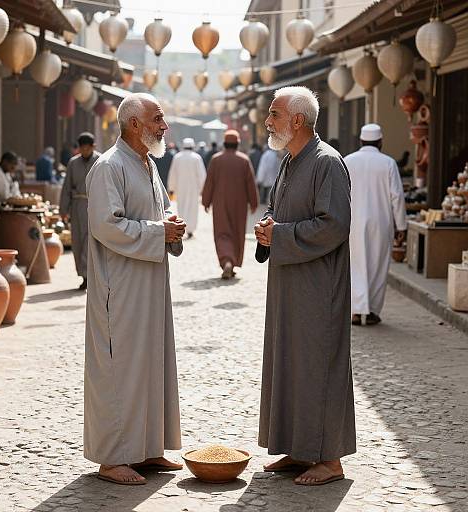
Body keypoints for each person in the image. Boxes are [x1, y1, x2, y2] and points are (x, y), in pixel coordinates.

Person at [254, 86, 355, 485]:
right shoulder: (289, 161)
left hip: (318, 286)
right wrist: (268, 226)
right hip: (288, 282)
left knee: (318, 365)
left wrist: (280, 235)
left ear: (297, 120)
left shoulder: (328, 163)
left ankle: (329, 459)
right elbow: (278, 208)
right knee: (290, 363)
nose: (268, 120)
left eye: (274, 114)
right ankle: (299, 450)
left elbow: (334, 225)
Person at [84, 92, 185, 485]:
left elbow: (151, 214)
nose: (164, 126)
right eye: (158, 119)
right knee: (118, 368)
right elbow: (107, 225)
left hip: (150, 282)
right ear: (135, 124)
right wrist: (161, 231)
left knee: (150, 362)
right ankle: (112, 457)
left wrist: (169, 224)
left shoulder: (146, 163)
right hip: (121, 286)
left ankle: (146, 449)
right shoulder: (109, 167)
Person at [344, 123, 407, 326]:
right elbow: (397, 197)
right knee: (377, 265)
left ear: (361, 141)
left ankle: (355, 310)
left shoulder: (348, 161)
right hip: (381, 222)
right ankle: (370, 311)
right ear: (380, 142)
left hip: (352, 222)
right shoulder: (388, 163)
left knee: (354, 264)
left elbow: (339, 194)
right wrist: (402, 226)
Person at [202, 130, 258, 279]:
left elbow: (210, 182)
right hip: (240, 204)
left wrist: (206, 201)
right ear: (238, 144)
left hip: (220, 203)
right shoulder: (244, 160)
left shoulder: (216, 159)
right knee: (237, 232)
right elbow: (251, 184)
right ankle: (232, 262)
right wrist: (254, 202)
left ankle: (227, 260)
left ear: (224, 144)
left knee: (222, 233)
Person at [60, 132, 100, 290]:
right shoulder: (72, 163)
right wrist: (63, 209)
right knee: (77, 241)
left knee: (92, 242)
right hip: (77, 206)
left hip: (96, 206)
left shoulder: (101, 161)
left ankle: (94, 276)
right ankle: (83, 275)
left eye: (87, 148)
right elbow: (66, 187)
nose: (84, 151)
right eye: (81, 148)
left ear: (93, 147)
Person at [167, 138, 207, 238]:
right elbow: (202, 175)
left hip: (180, 188)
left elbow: (173, 174)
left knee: (182, 207)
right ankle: (190, 229)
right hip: (194, 188)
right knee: (193, 208)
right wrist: (203, 189)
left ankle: (182, 227)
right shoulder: (196, 158)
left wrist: (171, 188)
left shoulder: (177, 157)